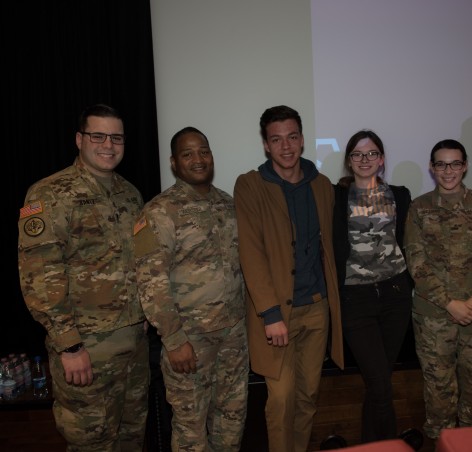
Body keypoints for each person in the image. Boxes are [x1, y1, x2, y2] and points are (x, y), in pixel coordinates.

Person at [17, 104, 149, 451]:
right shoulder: (49, 194)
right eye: (98, 136)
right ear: (79, 140)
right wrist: (69, 344)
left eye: (116, 137)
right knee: (90, 443)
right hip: (87, 349)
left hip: (134, 347)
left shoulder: (131, 195)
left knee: (131, 440)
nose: (109, 144)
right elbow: (41, 275)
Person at [233, 105, 344, 452]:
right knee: (280, 401)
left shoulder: (323, 185)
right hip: (277, 316)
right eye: (276, 139)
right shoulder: (250, 186)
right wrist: (270, 313)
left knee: (307, 396)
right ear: (266, 145)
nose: (286, 147)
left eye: (292, 137)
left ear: (302, 140)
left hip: (316, 309)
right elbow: (251, 254)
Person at [134, 127, 249, 451]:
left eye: (204, 151)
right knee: (191, 432)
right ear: (174, 163)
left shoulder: (227, 204)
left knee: (231, 421)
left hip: (232, 339)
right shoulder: (159, 212)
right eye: (188, 154)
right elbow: (150, 282)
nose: (198, 159)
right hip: (190, 343)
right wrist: (173, 341)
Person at [404, 139, 472, 440]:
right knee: (438, 390)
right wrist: (449, 303)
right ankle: (442, 444)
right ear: (431, 167)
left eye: (454, 164)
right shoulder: (419, 208)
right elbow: (417, 262)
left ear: (465, 166)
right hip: (434, 317)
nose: (447, 171)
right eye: (441, 164)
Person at [332, 129, 413, 443]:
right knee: (380, 384)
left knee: (379, 382)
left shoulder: (400, 195)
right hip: (356, 299)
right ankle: (390, 445)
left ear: (381, 160)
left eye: (371, 153)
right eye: (357, 154)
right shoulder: (337, 196)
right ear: (349, 161)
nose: (364, 159)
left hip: (395, 297)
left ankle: (371, 444)